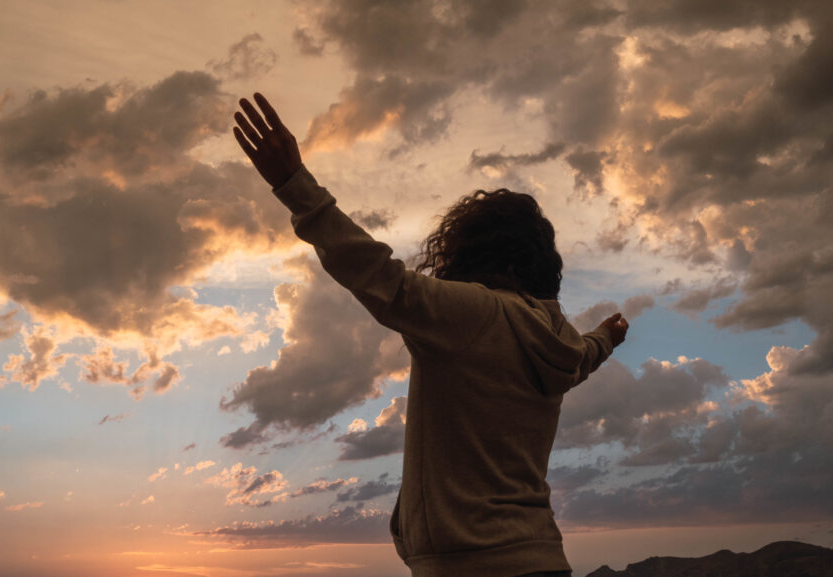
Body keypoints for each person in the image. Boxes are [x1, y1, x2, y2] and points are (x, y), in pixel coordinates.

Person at [233, 93, 628, 577]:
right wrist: (608, 337)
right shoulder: (559, 338)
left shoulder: (474, 312)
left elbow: (382, 277)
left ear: (480, 254)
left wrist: (295, 186)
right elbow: (586, 354)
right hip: (544, 558)